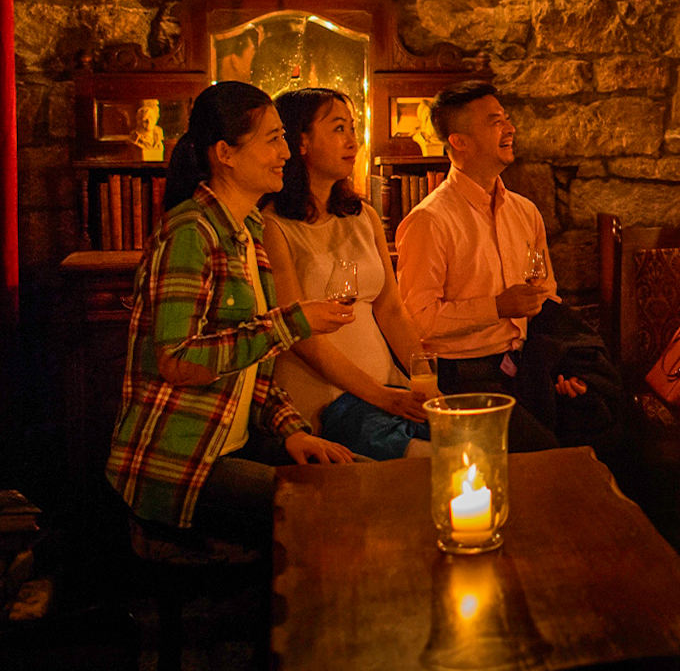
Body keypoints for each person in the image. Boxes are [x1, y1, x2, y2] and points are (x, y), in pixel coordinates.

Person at [105, 81, 355, 543]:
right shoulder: (190, 233)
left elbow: (251, 371)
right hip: (184, 464)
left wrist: (292, 432)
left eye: (285, 137)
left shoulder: (248, 230)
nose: (286, 152)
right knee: (323, 516)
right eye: (272, 139)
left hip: (233, 444)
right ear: (226, 153)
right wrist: (291, 321)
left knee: (348, 480)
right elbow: (178, 361)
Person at [395, 81, 623, 454]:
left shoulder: (524, 211)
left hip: (527, 365)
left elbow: (545, 297)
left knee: (602, 432)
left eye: (506, 118)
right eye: (494, 121)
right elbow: (417, 320)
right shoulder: (430, 221)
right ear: (460, 142)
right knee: (548, 458)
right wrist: (497, 307)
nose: (510, 128)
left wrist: (562, 367)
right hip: (463, 379)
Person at [262, 87, 431, 461]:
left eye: (353, 129)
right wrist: (380, 395)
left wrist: (423, 379)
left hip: (387, 390)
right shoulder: (273, 225)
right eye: (339, 129)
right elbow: (298, 336)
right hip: (327, 401)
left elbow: (391, 308)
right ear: (300, 142)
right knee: (429, 462)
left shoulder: (363, 215)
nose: (353, 141)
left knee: (469, 445)